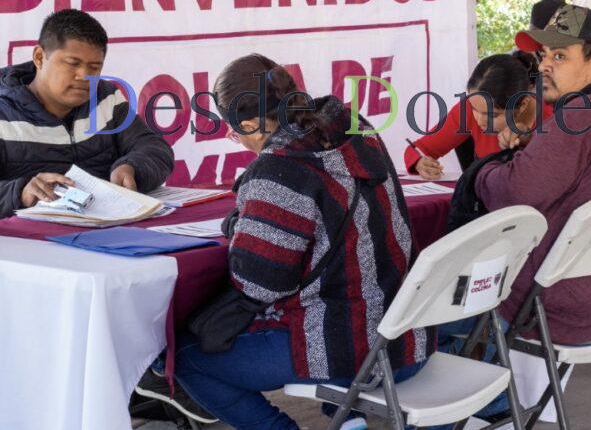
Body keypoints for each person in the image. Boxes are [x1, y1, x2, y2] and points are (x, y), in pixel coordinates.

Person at [137, 54, 429, 430]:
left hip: (349, 349)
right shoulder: (354, 124)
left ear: (248, 124)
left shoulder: (278, 168)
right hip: (407, 336)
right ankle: (347, 416)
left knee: (184, 358)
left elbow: (259, 283)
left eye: (233, 132)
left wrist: (243, 224)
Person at [470, 3, 591, 345]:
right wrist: (535, 144)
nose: (544, 64)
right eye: (544, 54)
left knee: (430, 308)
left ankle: (488, 396)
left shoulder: (577, 115)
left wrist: (485, 171)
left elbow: (514, 192)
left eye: (559, 56)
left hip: (550, 304)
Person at [0, 9, 174, 219]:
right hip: (27, 245)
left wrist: (132, 167)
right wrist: (20, 192)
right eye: (73, 63)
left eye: (94, 67)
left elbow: (154, 148)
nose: (84, 76)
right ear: (39, 57)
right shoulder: (4, 111)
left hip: (109, 233)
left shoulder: (106, 97)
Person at [403, 53, 552, 180]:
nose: (479, 120)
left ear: (523, 105)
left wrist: (528, 140)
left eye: (492, 115)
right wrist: (420, 162)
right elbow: (417, 149)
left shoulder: (554, 119)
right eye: (475, 109)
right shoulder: (467, 109)